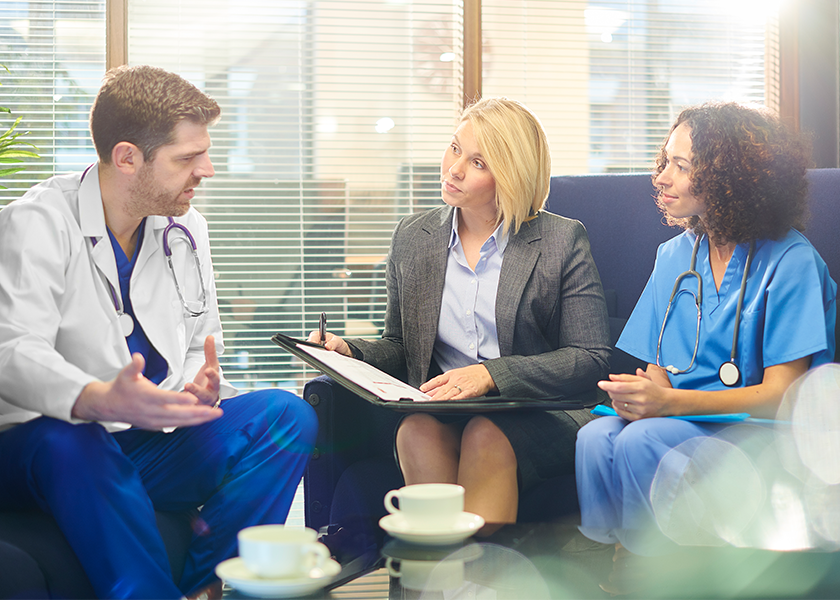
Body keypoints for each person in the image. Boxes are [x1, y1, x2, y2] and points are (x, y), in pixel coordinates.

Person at [0, 65, 318, 599]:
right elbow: (11, 350)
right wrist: (95, 397)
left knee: (287, 416)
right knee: (77, 436)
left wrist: (198, 385)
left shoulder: (185, 228)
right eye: (188, 158)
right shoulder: (36, 223)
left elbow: (200, 340)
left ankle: (209, 585)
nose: (208, 170)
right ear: (127, 157)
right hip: (46, 449)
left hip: (144, 444)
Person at [310, 97, 611, 525]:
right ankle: (437, 584)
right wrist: (350, 352)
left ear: (510, 176)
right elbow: (401, 345)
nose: (454, 169)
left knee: (485, 435)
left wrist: (491, 375)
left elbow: (589, 356)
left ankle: (481, 582)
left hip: (535, 410)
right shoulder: (414, 236)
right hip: (445, 409)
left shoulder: (561, 241)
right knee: (415, 430)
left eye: (478, 162)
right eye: (454, 149)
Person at [575, 102, 836, 589]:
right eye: (663, 162)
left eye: (681, 166)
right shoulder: (673, 256)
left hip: (764, 434)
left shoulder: (792, 261)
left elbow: (784, 396)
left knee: (642, 439)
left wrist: (668, 403)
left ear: (729, 178)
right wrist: (642, 395)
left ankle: (651, 572)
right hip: (684, 418)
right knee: (594, 437)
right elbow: (657, 369)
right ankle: (595, 568)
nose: (661, 178)